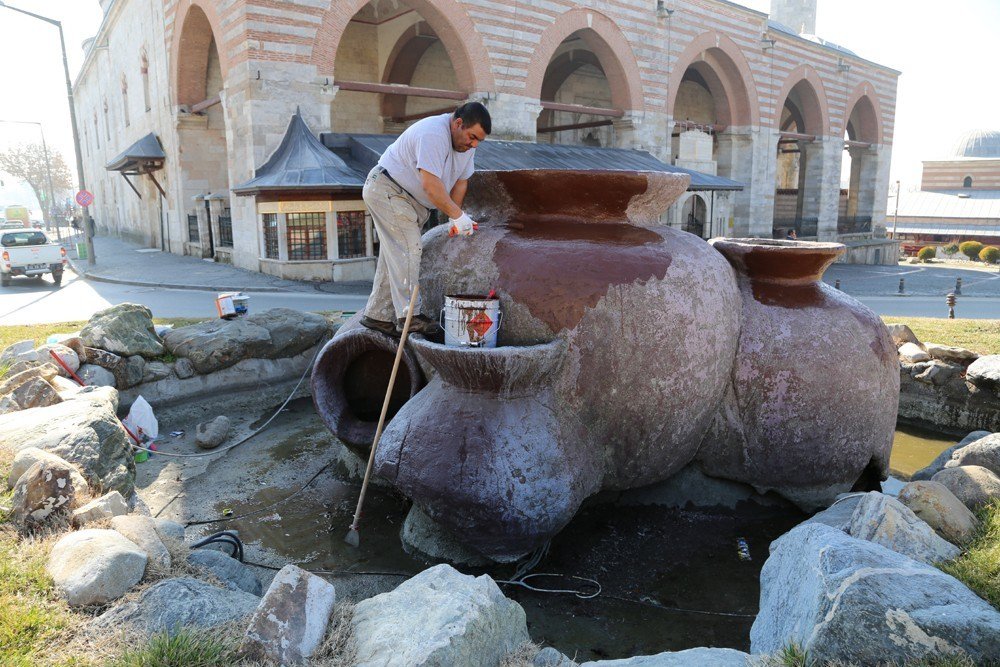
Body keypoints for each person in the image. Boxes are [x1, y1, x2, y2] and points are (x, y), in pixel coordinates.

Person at [360, 102, 491, 337]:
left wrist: (454, 218)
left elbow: (461, 182)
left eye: (479, 141)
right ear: (458, 123)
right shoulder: (432, 133)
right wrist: (458, 216)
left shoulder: (466, 146)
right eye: (472, 137)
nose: (474, 145)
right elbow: (431, 186)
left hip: (410, 201)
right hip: (389, 189)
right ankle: (410, 317)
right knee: (409, 250)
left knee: (394, 255)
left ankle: (377, 316)